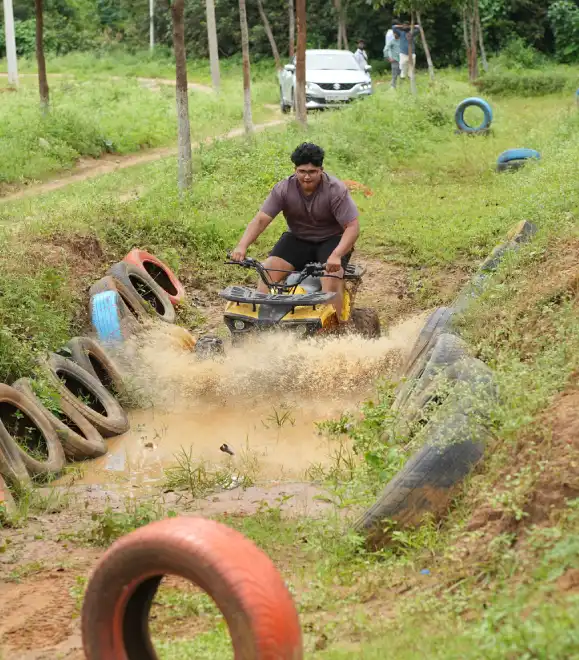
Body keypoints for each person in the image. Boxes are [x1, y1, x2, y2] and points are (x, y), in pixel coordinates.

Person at [230, 143, 360, 320]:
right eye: (301, 171)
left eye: (312, 172)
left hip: (332, 240)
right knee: (267, 271)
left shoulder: (335, 190)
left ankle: (337, 330)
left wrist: (337, 255)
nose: (306, 177)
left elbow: (352, 228)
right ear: (295, 170)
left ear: (321, 170)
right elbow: (261, 219)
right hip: (298, 238)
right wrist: (242, 246)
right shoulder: (284, 189)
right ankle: (261, 325)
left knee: (330, 281)